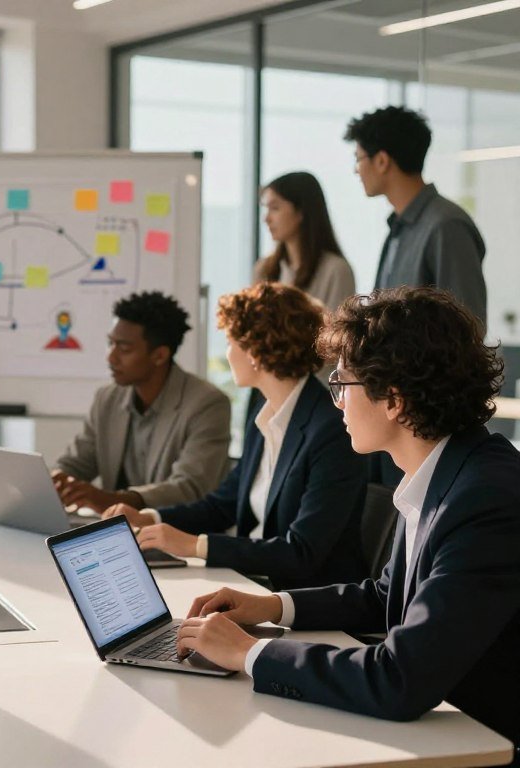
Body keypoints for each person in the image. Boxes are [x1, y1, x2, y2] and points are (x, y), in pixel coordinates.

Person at [176, 287, 520, 758]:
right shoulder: (446, 470)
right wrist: (270, 606)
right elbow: (386, 596)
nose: (335, 402)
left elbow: (399, 678)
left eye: (342, 384)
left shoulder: (484, 499)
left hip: (483, 744)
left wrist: (247, 652)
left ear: (393, 399)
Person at [104, 283, 368, 590]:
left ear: (255, 350)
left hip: (307, 599)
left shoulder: (330, 429)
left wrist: (194, 546)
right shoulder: (265, 415)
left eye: (230, 342)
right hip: (254, 584)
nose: (228, 354)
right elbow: (221, 506)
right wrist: (150, 518)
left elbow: (302, 552)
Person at [53, 291, 230, 513]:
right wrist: (57, 480)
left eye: (124, 348)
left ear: (159, 356)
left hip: (173, 529)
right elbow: (77, 462)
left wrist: (112, 500)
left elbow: (191, 487)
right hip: (116, 528)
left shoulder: (207, 404)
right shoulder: (107, 399)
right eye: (110, 343)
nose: (111, 357)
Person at [345, 106, 486, 326]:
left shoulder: (446, 225)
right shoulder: (400, 226)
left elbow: (469, 325)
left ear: (382, 161)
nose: (356, 170)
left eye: (358, 159)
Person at [255, 171, 355, 311]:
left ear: (301, 211)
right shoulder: (264, 269)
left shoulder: (336, 271)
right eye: (266, 208)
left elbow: (340, 324)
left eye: (275, 208)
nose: (266, 219)